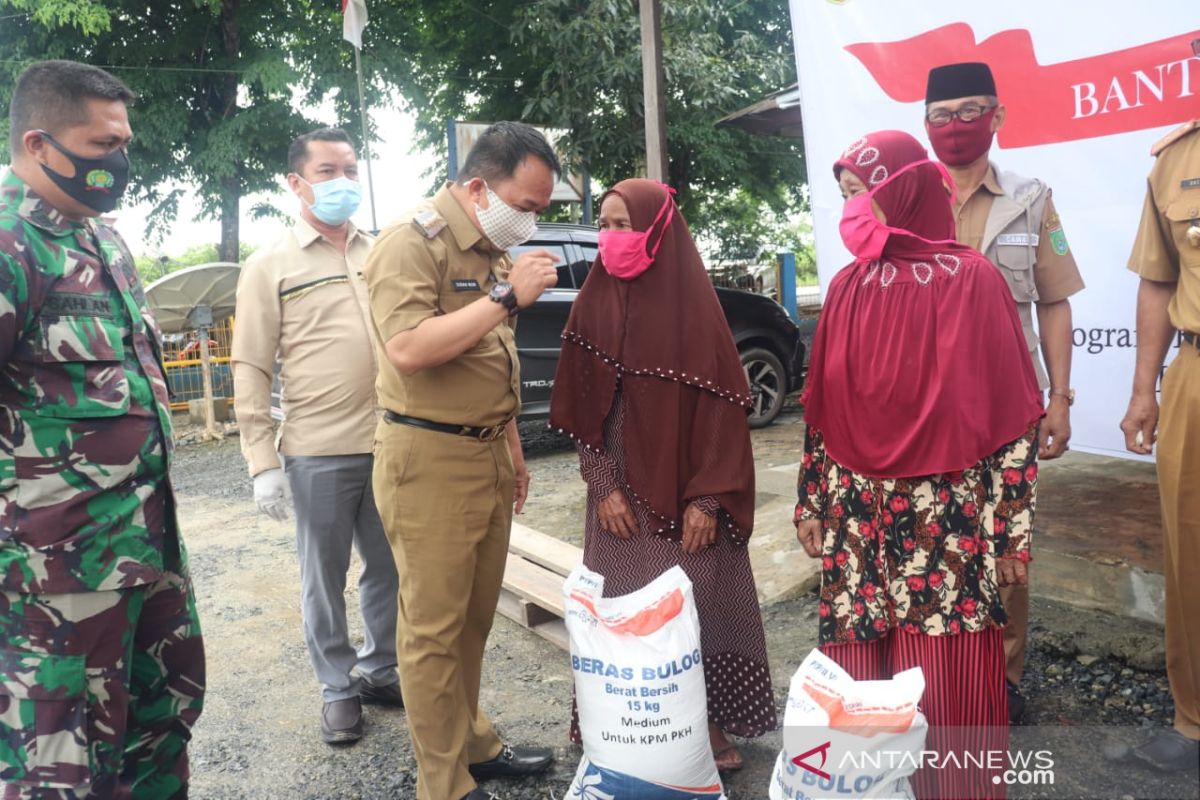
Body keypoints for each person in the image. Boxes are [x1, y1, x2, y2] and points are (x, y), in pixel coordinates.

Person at [794, 130, 1043, 798]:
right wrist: (811, 500)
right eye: (844, 197)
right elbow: (822, 407)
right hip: (854, 519)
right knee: (865, 680)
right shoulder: (845, 286)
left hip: (948, 523)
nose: (852, 210)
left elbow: (1014, 418)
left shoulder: (974, 279)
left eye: (863, 194)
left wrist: (1012, 530)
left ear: (903, 191)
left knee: (944, 673)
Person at [0, 60, 205, 797]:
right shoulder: (10, 243)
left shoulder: (102, 241)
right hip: (58, 577)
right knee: (63, 764)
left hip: (144, 547)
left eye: (124, 141)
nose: (118, 160)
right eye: (101, 141)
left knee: (161, 721)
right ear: (39, 144)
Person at [549, 179, 777, 771]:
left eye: (624, 224)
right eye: (604, 224)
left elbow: (725, 412)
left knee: (703, 603)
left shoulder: (695, 308)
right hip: (619, 498)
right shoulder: (592, 304)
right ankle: (626, 728)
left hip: (693, 494)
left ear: (657, 231)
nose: (611, 237)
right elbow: (580, 412)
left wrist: (709, 498)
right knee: (628, 616)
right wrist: (604, 486)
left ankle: (709, 723)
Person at [364, 121, 560, 800]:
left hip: (485, 453)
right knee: (432, 629)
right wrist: (505, 297)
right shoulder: (409, 244)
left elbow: (488, 357)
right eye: (527, 207)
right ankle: (442, 781)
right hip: (429, 457)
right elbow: (411, 350)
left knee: (473, 618)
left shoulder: (488, 245)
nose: (532, 223)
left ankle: (473, 742)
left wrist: (511, 448)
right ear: (479, 186)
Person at [923, 61, 1085, 722]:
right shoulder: (903, 200)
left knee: (1005, 546)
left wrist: (1060, 398)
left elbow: (1054, 304)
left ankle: (1003, 675)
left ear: (997, 115)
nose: (956, 126)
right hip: (924, 410)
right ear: (925, 125)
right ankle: (935, 669)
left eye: (971, 110)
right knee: (927, 540)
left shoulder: (1032, 197)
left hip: (1010, 408)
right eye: (942, 115)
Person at [231, 127, 401, 745]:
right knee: (322, 576)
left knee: (389, 568)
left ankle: (381, 668)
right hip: (317, 448)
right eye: (328, 172)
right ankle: (337, 686)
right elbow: (250, 362)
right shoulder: (270, 264)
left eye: (351, 169)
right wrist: (261, 461)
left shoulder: (380, 250)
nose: (343, 182)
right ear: (295, 182)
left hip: (390, 442)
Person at [1118, 114, 1200, 773]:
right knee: (1190, 548)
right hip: (1197, 375)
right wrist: (1144, 389)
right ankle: (1193, 720)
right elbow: (1160, 278)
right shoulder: (1175, 159)